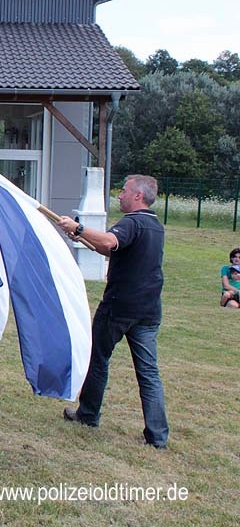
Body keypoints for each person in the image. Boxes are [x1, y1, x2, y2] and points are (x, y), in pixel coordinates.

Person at [58, 174, 169, 450]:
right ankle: (157, 436)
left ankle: (88, 415)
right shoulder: (155, 226)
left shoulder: (133, 222)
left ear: (138, 196)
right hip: (148, 310)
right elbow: (112, 250)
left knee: (98, 359)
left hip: (120, 307)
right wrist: (80, 236)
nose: (119, 195)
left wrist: (79, 227)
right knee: (148, 372)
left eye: (124, 191)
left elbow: (108, 242)